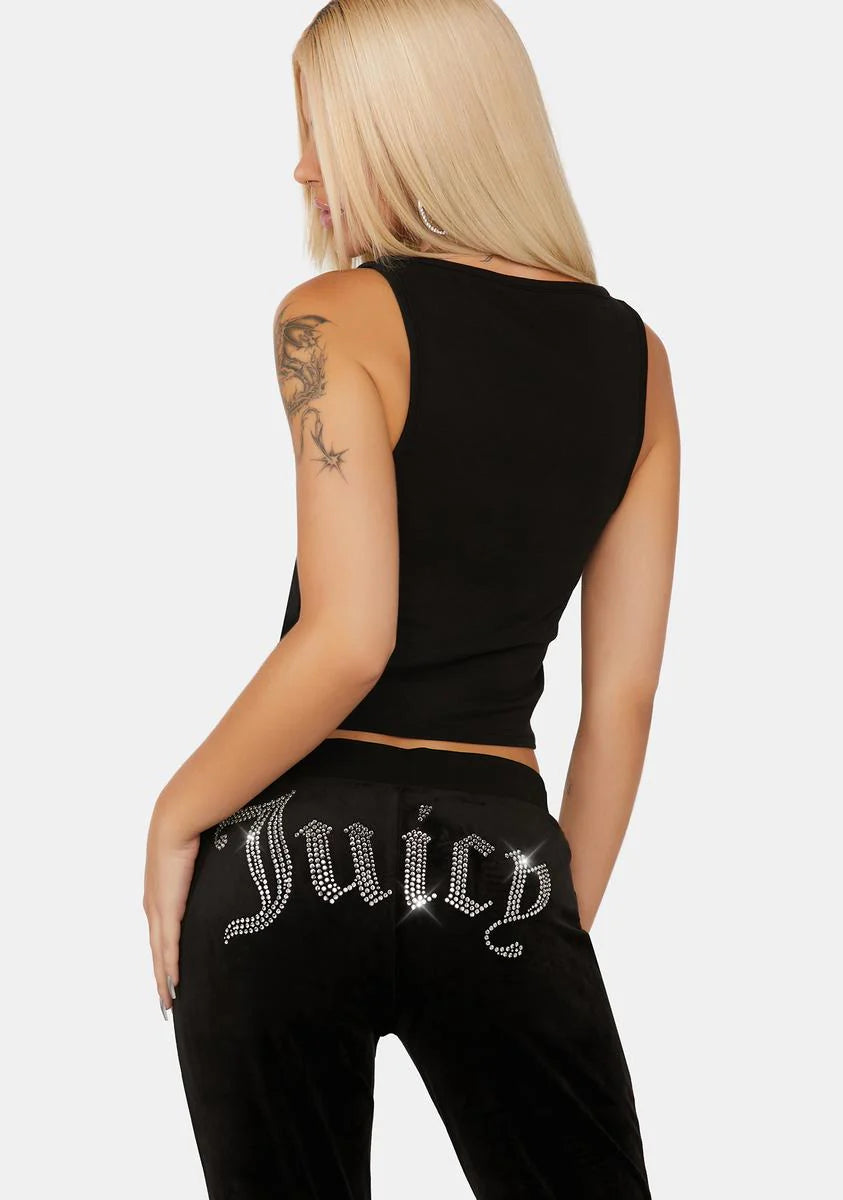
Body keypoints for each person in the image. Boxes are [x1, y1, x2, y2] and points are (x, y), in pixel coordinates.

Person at [143, 1, 680, 1196]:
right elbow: (624, 700)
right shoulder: (636, 360)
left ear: (406, 127)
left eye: (321, 128)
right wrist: (547, 922)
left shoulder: (335, 315)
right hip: (495, 849)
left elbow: (349, 637)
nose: (302, 167)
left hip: (287, 856)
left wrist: (176, 814)